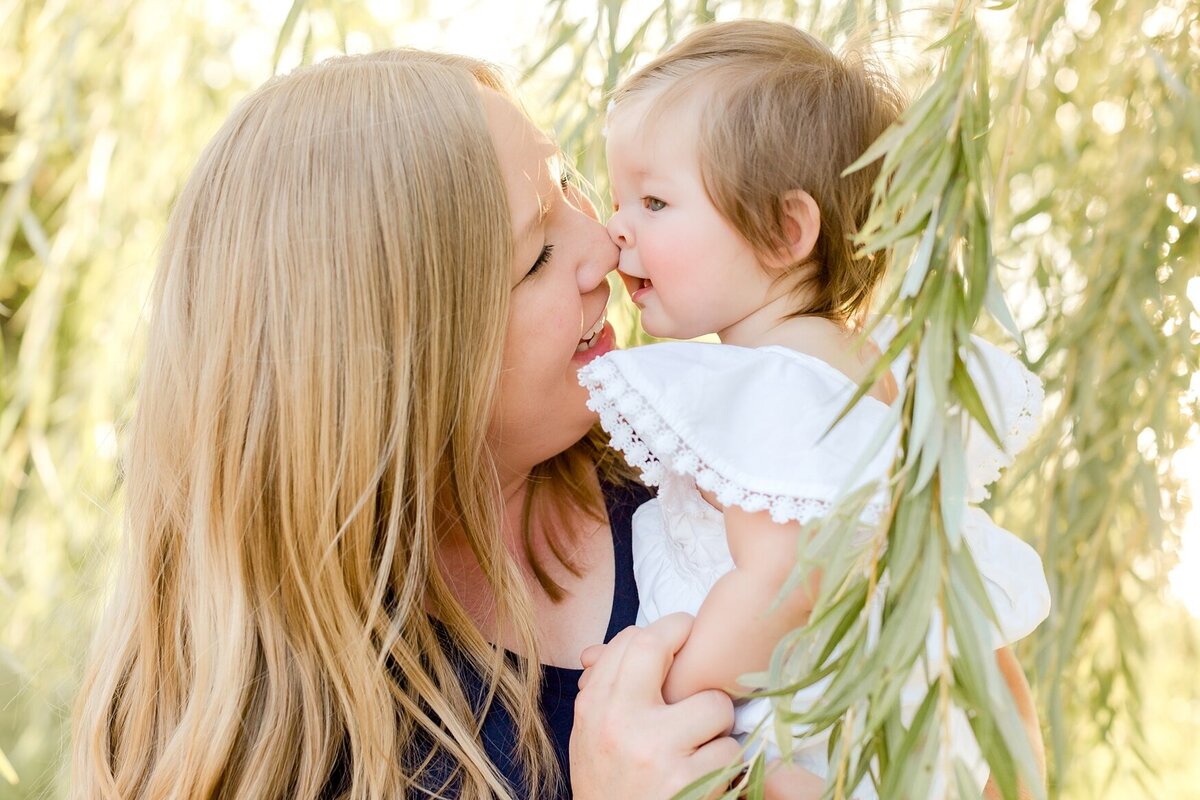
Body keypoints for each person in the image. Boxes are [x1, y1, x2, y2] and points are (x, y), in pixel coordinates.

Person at [69, 42, 1043, 800]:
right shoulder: (267, 729)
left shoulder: (700, 474)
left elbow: (991, 746)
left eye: (573, 181)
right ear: (401, 373)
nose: (605, 241)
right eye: (536, 256)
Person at [579, 20, 1051, 798]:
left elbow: (784, 586)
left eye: (655, 200)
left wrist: (660, 685)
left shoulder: (777, 386)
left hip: (813, 724)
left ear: (784, 230)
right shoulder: (856, 364)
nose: (615, 227)